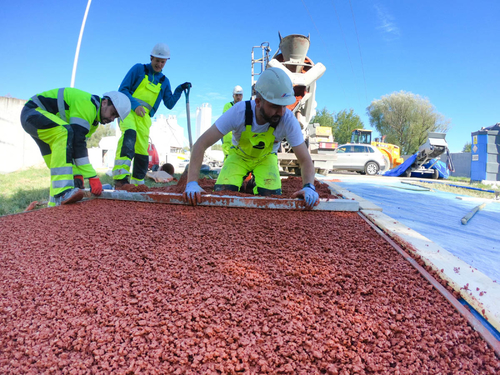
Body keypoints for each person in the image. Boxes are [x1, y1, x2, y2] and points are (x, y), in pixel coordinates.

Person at [183, 67, 319, 209]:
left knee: (270, 196)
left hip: (266, 157)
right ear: (258, 102)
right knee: (223, 194)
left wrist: (309, 186)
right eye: (274, 106)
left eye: (284, 106)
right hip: (239, 156)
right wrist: (192, 182)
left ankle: (253, 183)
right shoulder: (238, 112)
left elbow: (305, 160)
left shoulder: (287, 119)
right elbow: (201, 143)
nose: (281, 112)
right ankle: (244, 180)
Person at [20, 88, 131, 207]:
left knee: (58, 168)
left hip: (39, 120)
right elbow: (77, 144)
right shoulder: (88, 104)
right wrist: (92, 177)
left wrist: (77, 174)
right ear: (104, 103)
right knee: (64, 132)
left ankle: (54, 206)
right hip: (33, 113)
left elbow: (73, 147)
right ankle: (62, 193)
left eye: (115, 117)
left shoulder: (93, 123)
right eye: (113, 113)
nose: (111, 119)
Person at [113, 42, 191, 187]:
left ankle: (137, 182)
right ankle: (120, 179)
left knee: (142, 149)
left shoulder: (164, 81)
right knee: (129, 136)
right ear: (151, 57)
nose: (159, 64)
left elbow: (169, 104)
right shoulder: (138, 69)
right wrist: (135, 106)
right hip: (128, 111)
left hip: (145, 117)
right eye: (157, 60)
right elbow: (123, 90)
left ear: (166, 62)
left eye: (162, 62)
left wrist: (179, 89)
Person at [221, 85, 244, 159]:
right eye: (236, 95)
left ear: (242, 96)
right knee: (228, 158)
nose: (238, 97)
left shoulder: (245, 106)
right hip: (228, 137)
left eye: (240, 95)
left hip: (239, 138)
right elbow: (227, 118)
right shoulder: (228, 106)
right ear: (233, 96)